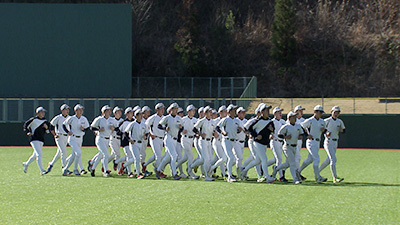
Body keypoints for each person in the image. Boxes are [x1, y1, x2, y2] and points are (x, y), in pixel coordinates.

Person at [241, 104, 276, 183]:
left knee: (257, 161)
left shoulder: (270, 121)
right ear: (262, 112)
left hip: (264, 143)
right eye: (266, 110)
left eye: (268, 110)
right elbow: (249, 128)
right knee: (264, 159)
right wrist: (256, 135)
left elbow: (273, 130)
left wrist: (272, 130)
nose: (268, 112)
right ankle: (267, 177)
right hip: (257, 143)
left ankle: (244, 170)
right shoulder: (258, 121)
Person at [298, 105, 328, 183]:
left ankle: (298, 172)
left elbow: (325, 130)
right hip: (311, 142)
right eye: (319, 112)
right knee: (316, 158)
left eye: (321, 112)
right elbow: (301, 127)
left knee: (310, 159)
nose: (321, 114)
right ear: (315, 112)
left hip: (317, 142)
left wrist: (324, 130)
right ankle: (318, 177)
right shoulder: (310, 120)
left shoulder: (322, 121)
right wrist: (307, 135)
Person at [272, 111, 304, 184]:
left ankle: (276, 168)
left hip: (294, 147)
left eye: (295, 117)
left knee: (288, 164)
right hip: (287, 146)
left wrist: (300, 136)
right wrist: (285, 137)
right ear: (289, 118)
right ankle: (295, 179)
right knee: (293, 163)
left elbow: (302, 134)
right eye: (293, 117)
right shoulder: (286, 126)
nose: (295, 118)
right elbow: (279, 135)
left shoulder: (298, 126)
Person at [216, 104, 243, 182]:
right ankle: (229, 176)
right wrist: (222, 132)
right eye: (234, 110)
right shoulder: (226, 119)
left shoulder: (236, 120)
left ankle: (214, 169)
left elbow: (236, 131)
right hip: (226, 140)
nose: (235, 112)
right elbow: (217, 127)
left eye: (235, 110)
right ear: (229, 111)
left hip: (233, 141)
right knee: (230, 158)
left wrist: (239, 130)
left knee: (232, 158)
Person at [155, 103, 183, 180]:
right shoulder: (167, 118)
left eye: (177, 109)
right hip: (168, 138)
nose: (176, 110)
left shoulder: (179, 118)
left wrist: (181, 128)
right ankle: (174, 173)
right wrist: (165, 128)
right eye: (174, 109)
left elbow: (182, 129)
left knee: (168, 157)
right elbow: (159, 125)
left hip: (175, 139)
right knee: (174, 155)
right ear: (171, 109)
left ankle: (158, 170)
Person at [188, 106, 216, 181]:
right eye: (209, 112)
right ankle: (207, 176)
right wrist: (200, 134)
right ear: (205, 113)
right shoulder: (202, 121)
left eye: (211, 112)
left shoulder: (213, 122)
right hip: (202, 141)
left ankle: (191, 166)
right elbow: (194, 128)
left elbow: (213, 131)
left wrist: (214, 133)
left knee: (206, 159)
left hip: (209, 141)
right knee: (206, 159)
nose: (211, 114)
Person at [319, 106, 345, 183]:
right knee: (333, 159)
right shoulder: (327, 121)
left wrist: (341, 130)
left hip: (335, 142)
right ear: (331, 112)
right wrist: (326, 133)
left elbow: (343, 130)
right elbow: (321, 129)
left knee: (328, 160)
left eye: (338, 112)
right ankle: (335, 177)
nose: (336, 114)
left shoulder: (339, 121)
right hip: (328, 142)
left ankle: (317, 172)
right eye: (335, 112)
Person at [62, 104, 90, 176]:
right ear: (75, 111)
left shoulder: (84, 119)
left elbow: (87, 128)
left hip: (80, 138)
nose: (81, 111)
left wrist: (83, 130)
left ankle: (65, 169)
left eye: (81, 110)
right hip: (72, 138)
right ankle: (75, 169)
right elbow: (64, 124)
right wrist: (68, 132)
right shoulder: (72, 118)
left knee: (73, 155)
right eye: (79, 110)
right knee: (78, 153)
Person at [22, 106, 50, 175]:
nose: (43, 113)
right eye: (42, 112)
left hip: (41, 140)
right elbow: (26, 125)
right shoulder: (33, 120)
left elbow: (48, 131)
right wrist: (28, 132)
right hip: (34, 139)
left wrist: (46, 128)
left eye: (44, 112)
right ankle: (42, 170)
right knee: (39, 154)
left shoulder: (45, 121)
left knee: (35, 155)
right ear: (38, 113)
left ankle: (26, 164)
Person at [88, 105, 114, 177]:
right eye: (107, 111)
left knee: (100, 155)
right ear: (103, 112)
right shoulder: (99, 119)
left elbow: (116, 128)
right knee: (106, 154)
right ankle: (105, 171)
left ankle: (92, 169)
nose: (109, 112)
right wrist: (98, 130)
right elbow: (91, 127)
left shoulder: (111, 119)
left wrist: (113, 129)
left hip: (107, 139)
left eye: (109, 110)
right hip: (100, 138)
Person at [123, 109, 148, 179]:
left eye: (141, 114)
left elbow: (147, 132)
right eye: (139, 114)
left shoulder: (144, 124)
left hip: (140, 143)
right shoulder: (132, 124)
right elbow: (125, 132)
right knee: (137, 158)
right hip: (134, 143)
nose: (141, 116)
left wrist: (145, 136)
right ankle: (138, 173)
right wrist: (129, 139)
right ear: (136, 116)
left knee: (136, 158)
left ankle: (124, 165)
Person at [46, 104, 70, 173]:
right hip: (59, 136)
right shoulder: (58, 118)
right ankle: (64, 168)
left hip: (66, 136)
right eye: (66, 109)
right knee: (64, 152)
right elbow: (51, 126)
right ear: (62, 110)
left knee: (59, 153)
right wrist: (54, 134)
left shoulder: (69, 117)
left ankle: (51, 164)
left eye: (68, 109)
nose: (67, 111)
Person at [144, 103, 166, 177]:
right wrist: (150, 134)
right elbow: (145, 126)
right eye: (161, 109)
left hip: (161, 138)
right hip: (154, 138)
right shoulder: (153, 118)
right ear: (157, 110)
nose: (163, 110)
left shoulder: (164, 117)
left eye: (163, 108)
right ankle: (158, 170)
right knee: (158, 156)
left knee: (155, 156)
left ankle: (144, 165)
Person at [242, 103, 263, 182]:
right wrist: (249, 134)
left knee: (252, 158)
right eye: (261, 112)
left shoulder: (264, 121)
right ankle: (259, 176)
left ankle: (243, 169)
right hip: (252, 141)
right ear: (258, 113)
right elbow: (245, 128)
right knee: (256, 158)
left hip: (259, 143)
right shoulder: (253, 120)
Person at [177, 104, 198, 179]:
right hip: (185, 139)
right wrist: (182, 130)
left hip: (191, 139)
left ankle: (174, 167)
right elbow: (178, 126)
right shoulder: (183, 119)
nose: (194, 112)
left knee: (185, 158)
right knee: (191, 155)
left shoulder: (196, 120)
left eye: (194, 110)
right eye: (192, 110)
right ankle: (190, 172)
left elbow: (197, 129)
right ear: (188, 111)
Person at [268, 107, 287, 182]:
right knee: (279, 159)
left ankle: (272, 172)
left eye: (281, 112)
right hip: (275, 141)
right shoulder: (271, 121)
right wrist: (270, 134)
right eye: (279, 112)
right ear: (275, 113)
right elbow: (268, 130)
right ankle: (281, 176)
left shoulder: (283, 121)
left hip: (281, 142)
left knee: (276, 159)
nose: (280, 114)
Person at [114, 107, 135, 176]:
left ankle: (117, 162)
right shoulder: (123, 122)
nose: (131, 114)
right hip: (125, 141)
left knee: (129, 156)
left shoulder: (134, 121)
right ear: (126, 114)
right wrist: (122, 133)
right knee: (130, 157)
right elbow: (117, 130)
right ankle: (129, 172)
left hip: (133, 141)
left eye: (132, 112)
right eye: (130, 113)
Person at [209, 105, 228, 178]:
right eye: (224, 111)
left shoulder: (227, 120)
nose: (226, 113)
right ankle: (223, 173)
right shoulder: (215, 120)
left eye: (226, 111)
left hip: (223, 142)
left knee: (216, 159)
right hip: (217, 142)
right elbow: (209, 128)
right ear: (220, 112)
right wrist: (213, 133)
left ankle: (209, 169)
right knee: (222, 158)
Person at [233, 107, 247, 178]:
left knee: (237, 159)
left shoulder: (246, 121)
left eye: (244, 112)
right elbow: (235, 131)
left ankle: (227, 168)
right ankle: (239, 175)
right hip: (236, 142)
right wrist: (239, 129)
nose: (244, 114)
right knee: (239, 158)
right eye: (242, 112)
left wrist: (245, 131)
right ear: (238, 113)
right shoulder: (235, 121)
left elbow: (247, 131)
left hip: (242, 142)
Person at [140, 106, 152, 176]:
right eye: (147, 112)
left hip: (145, 139)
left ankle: (141, 168)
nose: (149, 113)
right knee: (142, 155)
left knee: (143, 154)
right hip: (140, 139)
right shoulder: (141, 120)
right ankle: (142, 169)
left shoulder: (148, 120)